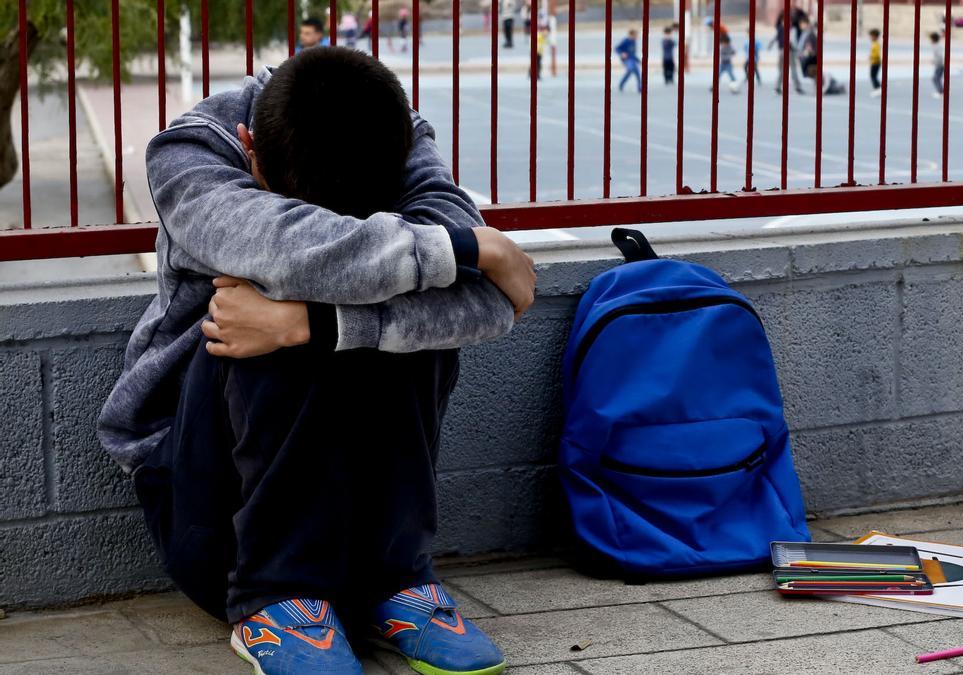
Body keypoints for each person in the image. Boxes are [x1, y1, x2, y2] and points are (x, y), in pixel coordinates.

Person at [99, 47, 535, 675]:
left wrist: (316, 323)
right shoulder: (192, 153)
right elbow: (287, 250)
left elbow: (487, 305)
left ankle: (396, 580)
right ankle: (276, 598)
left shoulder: (397, 133)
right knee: (279, 297)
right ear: (249, 148)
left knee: (379, 315)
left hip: (359, 515)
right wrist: (470, 247)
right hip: (211, 514)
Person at [616, 29, 642, 93]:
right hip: (627, 60)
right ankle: (621, 85)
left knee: (637, 73)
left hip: (632, 59)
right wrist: (621, 53)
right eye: (635, 35)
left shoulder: (633, 42)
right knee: (631, 70)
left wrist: (638, 60)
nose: (637, 36)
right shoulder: (626, 41)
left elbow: (632, 53)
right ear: (631, 35)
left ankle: (639, 88)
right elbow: (617, 48)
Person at [868, 28, 882, 95]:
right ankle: (878, 88)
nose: (870, 37)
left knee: (873, 76)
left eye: (871, 36)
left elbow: (877, 54)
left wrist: (871, 56)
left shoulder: (876, 44)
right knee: (873, 76)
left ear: (875, 36)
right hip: (874, 62)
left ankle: (878, 88)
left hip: (876, 62)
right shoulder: (874, 43)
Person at [930, 31, 944, 98]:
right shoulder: (937, 45)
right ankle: (941, 91)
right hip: (939, 64)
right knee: (936, 78)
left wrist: (935, 61)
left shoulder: (936, 46)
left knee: (935, 78)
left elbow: (940, 56)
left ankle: (941, 92)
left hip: (939, 65)